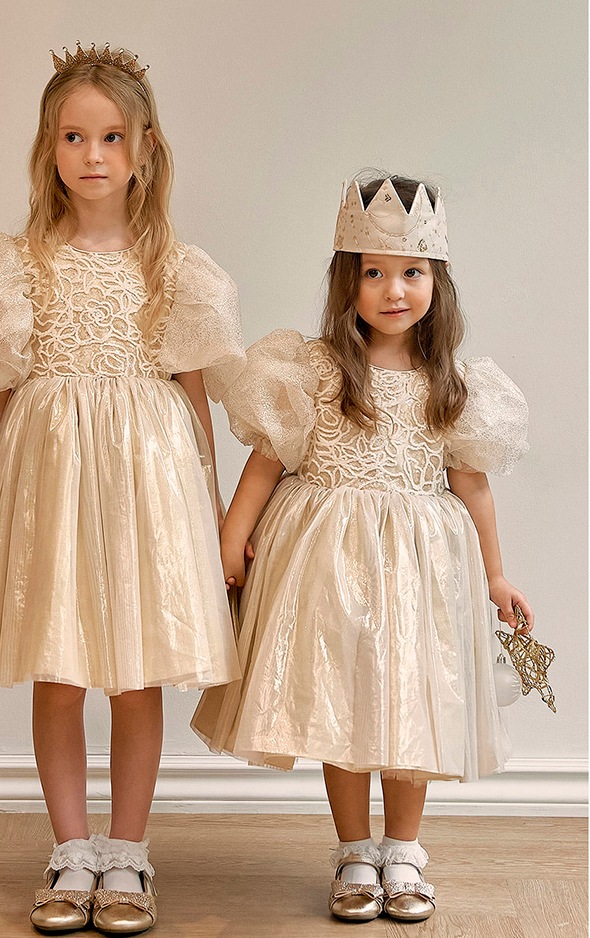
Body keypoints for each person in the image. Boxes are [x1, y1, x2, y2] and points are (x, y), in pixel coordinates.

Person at [0, 42, 243, 936]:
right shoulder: (15, 266)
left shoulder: (176, 271)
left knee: (134, 676)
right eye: (73, 137)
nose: (92, 154)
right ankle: (71, 851)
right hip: (46, 488)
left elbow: (195, 401)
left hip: (145, 494)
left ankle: (128, 856)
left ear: (145, 147)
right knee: (57, 671)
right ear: (48, 147)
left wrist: (210, 515)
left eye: (111, 136)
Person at [192, 174, 532, 924]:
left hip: (418, 572)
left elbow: (472, 485)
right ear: (347, 281)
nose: (393, 290)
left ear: (438, 282)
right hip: (329, 568)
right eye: (373, 272)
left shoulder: (451, 384)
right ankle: (353, 850)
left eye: (411, 272)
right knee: (340, 706)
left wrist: (496, 576)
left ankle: (403, 850)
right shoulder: (315, 372)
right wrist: (233, 537)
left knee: (413, 704)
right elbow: (267, 462)